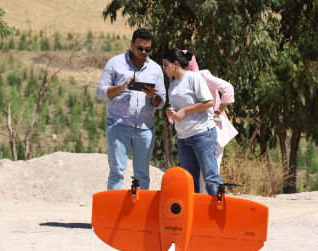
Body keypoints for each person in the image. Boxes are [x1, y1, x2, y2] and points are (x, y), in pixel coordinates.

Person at [96, 28, 166, 190]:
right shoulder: (115, 63)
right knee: (117, 173)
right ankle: (114, 214)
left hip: (145, 128)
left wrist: (152, 96)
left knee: (142, 175)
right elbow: (100, 92)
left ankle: (139, 214)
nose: (144, 52)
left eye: (147, 49)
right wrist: (121, 86)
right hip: (118, 125)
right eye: (140, 48)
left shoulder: (155, 69)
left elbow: (161, 102)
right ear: (132, 44)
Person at [163, 48, 223, 195]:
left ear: (176, 63)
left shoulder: (193, 78)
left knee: (211, 179)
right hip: (183, 138)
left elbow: (209, 102)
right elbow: (178, 108)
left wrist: (184, 111)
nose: (163, 68)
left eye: (165, 65)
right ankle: (194, 216)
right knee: (189, 181)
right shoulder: (172, 85)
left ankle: (218, 215)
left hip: (202, 133)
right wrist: (171, 112)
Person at [181, 50, 238, 194]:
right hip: (194, 130)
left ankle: (210, 210)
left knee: (208, 175)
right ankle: (204, 211)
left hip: (210, 129)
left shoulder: (202, 76)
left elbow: (228, 88)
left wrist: (219, 109)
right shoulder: (182, 80)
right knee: (204, 175)